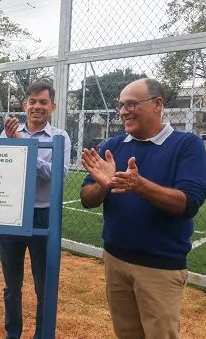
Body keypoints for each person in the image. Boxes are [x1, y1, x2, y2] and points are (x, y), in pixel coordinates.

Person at [80, 78, 206, 339]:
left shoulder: (187, 145)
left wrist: (140, 186)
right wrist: (103, 185)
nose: (124, 111)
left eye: (132, 104)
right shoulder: (113, 146)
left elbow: (188, 203)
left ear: (158, 104)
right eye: (122, 106)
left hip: (159, 267)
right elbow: (86, 198)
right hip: (114, 260)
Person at [0, 80, 71, 339]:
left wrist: (22, 145)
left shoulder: (60, 137)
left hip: (43, 215)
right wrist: (11, 143)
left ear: (53, 106)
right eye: (32, 101)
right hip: (10, 214)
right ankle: (13, 334)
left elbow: (56, 175)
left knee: (44, 286)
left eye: (43, 102)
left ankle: (42, 334)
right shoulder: (9, 133)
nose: (37, 106)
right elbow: (1, 171)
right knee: (12, 285)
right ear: (24, 105)